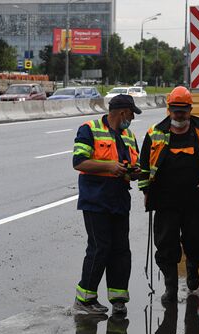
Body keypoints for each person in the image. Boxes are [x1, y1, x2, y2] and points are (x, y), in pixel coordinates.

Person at [139, 86, 199, 303]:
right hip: (165, 199)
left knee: (198, 240)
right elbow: (143, 166)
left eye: (183, 111)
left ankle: (192, 266)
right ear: (169, 109)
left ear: (190, 109)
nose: (179, 115)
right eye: (175, 110)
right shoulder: (155, 133)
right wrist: (146, 191)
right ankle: (170, 286)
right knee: (166, 243)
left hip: (194, 199)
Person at [72, 94, 142, 315]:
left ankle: (118, 298)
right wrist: (109, 167)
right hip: (96, 199)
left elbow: (134, 162)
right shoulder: (89, 129)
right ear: (122, 112)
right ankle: (85, 299)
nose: (132, 118)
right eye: (131, 113)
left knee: (121, 249)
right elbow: (79, 162)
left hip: (120, 198)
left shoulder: (129, 135)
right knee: (99, 248)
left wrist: (135, 171)